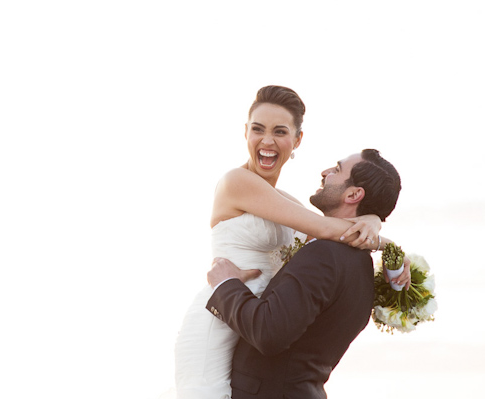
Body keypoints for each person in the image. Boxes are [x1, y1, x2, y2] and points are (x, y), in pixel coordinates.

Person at [173, 86, 408, 399]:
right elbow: (326, 228)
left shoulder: (289, 205)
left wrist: (373, 223)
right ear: (245, 132)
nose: (267, 141)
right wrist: (379, 237)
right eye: (258, 129)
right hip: (218, 320)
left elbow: (326, 230)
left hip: (249, 320)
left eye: (279, 131)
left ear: (297, 140)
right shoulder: (237, 182)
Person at [205, 149, 402, 398]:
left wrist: (226, 284)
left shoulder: (324, 256)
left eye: (337, 170)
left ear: (353, 194)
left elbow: (268, 333)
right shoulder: (362, 267)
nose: (325, 173)